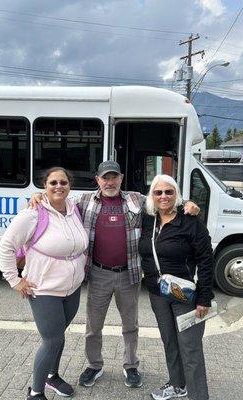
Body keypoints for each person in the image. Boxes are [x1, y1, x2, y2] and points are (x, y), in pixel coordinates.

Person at [74, 161, 200, 389]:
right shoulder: (83, 201)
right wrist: (38, 199)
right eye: (105, 178)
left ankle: (131, 366)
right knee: (93, 326)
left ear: (121, 178)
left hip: (128, 274)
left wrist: (187, 204)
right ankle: (94, 365)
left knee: (130, 325)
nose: (109, 182)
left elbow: (164, 203)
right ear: (97, 180)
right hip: (99, 273)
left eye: (114, 177)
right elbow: (57, 204)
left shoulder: (136, 199)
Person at [0, 167, 89, 400]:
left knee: (60, 334)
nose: (59, 186)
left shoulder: (74, 209)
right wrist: (14, 280)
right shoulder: (33, 214)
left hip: (72, 288)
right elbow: (5, 247)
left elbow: (108, 191)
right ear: (44, 186)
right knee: (53, 339)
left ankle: (52, 376)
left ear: (70, 186)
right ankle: (35, 393)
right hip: (43, 289)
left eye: (64, 182)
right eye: (53, 183)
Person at [138, 174, 214, 400]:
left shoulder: (190, 222)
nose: (163, 196)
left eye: (169, 192)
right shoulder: (148, 220)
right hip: (158, 293)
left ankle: (199, 396)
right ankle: (177, 384)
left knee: (190, 348)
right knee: (170, 342)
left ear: (177, 195)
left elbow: (206, 261)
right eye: (158, 192)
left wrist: (204, 298)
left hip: (186, 296)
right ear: (152, 196)